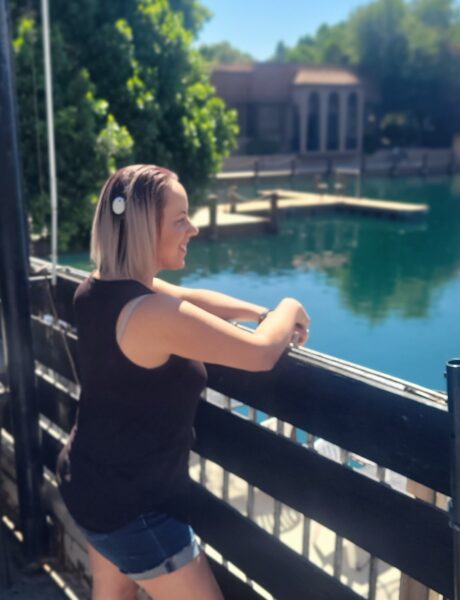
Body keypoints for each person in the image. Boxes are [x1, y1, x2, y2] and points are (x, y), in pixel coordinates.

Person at [57, 164, 310, 600]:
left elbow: (190, 299)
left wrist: (257, 312)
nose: (192, 228)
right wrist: (288, 306)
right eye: (180, 219)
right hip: (133, 510)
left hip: (87, 481)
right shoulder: (150, 314)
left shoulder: (99, 287)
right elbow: (262, 353)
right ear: (141, 230)